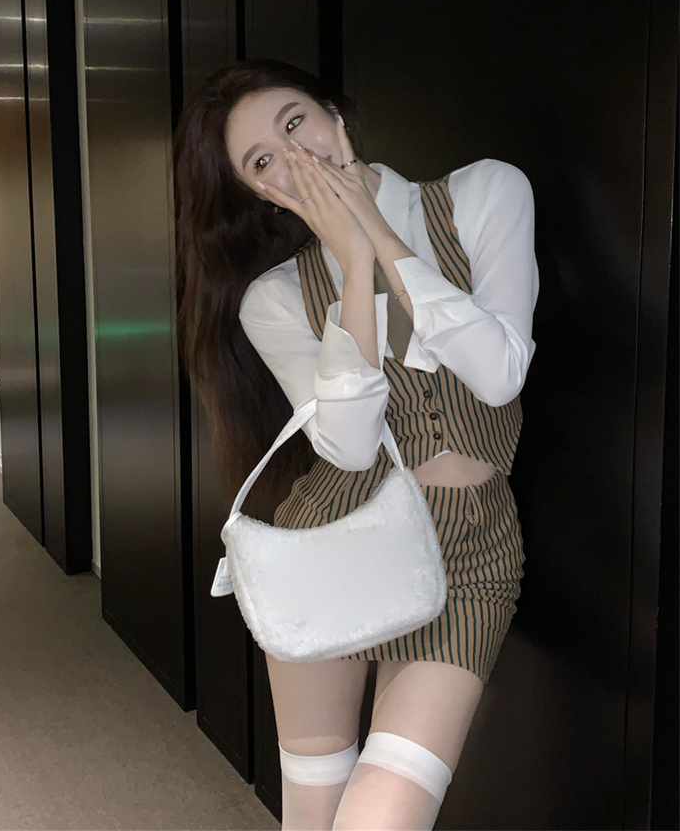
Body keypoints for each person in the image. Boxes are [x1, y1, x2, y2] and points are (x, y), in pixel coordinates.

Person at [174, 59, 539, 830]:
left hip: (470, 552)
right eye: (262, 162)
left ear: (335, 116)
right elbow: (347, 447)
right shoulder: (273, 298)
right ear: (260, 194)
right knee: (313, 813)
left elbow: (500, 374)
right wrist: (353, 270)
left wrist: (374, 231)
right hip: (332, 546)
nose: (294, 157)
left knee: (381, 819)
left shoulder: (483, 193)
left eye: (294, 123)